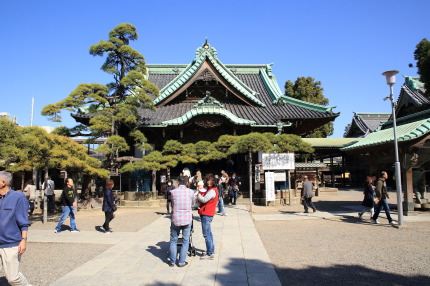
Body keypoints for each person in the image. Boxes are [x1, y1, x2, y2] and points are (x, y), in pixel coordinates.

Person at [0, 171, 32, 286]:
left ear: (3, 183)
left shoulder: (18, 197)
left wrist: (23, 240)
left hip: (11, 243)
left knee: (13, 278)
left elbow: (23, 221)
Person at [168, 176, 195, 267]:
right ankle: (181, 261)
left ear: (178, 182)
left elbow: (172, 203)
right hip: (187, 218)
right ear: (187, 183)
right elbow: (192, 204)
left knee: (173, 240)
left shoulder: (174, 192)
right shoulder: (191, 192)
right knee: (185, 240)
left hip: (176, 218)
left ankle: (172, 261)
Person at [197, 174, 219, 260]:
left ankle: (209, 253)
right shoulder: (211, 189)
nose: (209, 182)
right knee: (209, 233)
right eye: (207, 181)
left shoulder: (212, 191)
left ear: (214, 181)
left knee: (206, 234)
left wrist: (198, 194)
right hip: (207, 213)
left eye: (210, 181)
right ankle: (211, 250)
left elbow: (204, 199)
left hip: (206, 213)